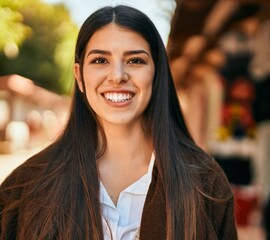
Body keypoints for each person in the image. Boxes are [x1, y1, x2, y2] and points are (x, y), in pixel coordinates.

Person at [0, 5, 237, 240]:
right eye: (100, 60)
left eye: (135, 60)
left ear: (157, 74)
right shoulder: (27, 185)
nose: (117, 76)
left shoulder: (205, 182)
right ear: (79, 76)